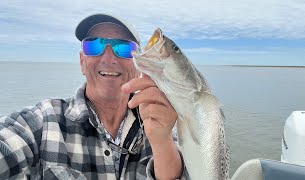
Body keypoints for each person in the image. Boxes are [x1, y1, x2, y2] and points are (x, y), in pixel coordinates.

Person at [0, 14, 189, 179]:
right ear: (83, 62)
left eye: (123, 48)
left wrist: (163, 142)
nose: (108, 58)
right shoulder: (44, 122)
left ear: (138, 65)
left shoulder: (162, 128)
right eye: (94, 46)